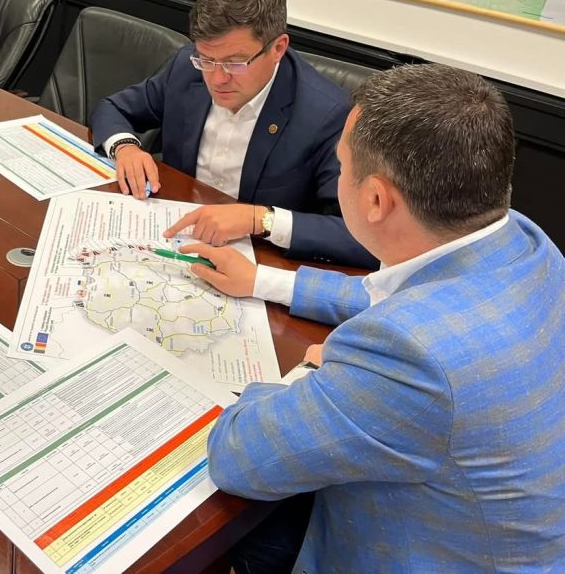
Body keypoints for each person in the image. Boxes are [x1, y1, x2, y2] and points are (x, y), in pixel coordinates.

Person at [183, 63, 565, 572]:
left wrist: (314, 370)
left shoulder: (410, 355)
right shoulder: (523, 242)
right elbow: (409, 298)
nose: (339, 175)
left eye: (341, 166)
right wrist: (263, 281)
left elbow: (237, 457)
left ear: (376, 199)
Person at [90, 0, 376, 269]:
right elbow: (112, 108)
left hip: (257, 262)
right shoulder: (187, 68)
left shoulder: (327, 115)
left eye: (235, 63)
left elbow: (361, 238)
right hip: (173, 235)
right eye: (207, 59)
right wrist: (125, 147)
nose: (217, 79)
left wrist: (260, 219)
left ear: (278, 48)